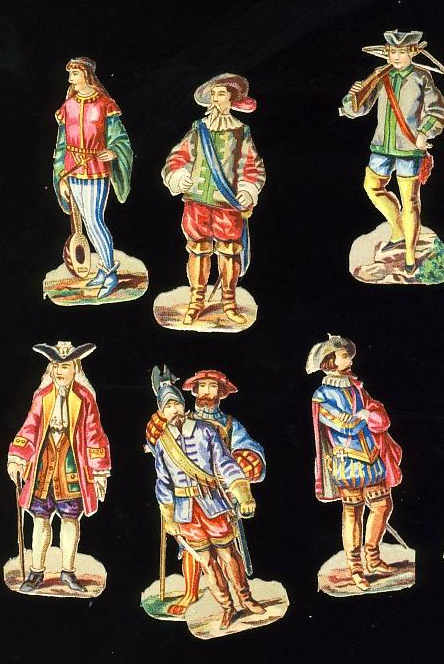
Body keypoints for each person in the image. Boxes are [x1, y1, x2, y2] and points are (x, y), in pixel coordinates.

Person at [147, 366, 264, 629]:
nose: (174, 410)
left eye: (176, 404)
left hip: (213, 503)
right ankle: (227, 607)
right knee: (207, 562)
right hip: (185, 511)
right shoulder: (163, 444)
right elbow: (163, 482)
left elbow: (226, 463)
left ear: (183, 405)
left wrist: (243, 492)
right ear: (162, 412)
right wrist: (168, 516)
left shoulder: (206, 431)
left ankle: (246, 599)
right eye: (168, 407)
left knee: (228, 554)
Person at [339, 30, 444, 274]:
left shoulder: (422, 77)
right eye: (392, 52)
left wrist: (424, 132)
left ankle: (410, 254)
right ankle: (398, 231)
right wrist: (352, 96)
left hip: (410, 149)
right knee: (372, 187)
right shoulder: (380, 75)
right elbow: (358, 109)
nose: (396, 57)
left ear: (412, 52)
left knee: (410, 201)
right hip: (382, 146)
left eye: (401, 52)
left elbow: (439, 110)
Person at [7, 341, 111, 593]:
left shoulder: (85, 398)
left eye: (64, 366)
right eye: (55, 365)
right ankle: (36, 572)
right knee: (40, 519)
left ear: (76, 368)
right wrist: (17, 457)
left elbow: (94, 435)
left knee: (70, 519)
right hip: (43, 466)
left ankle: (68, 572)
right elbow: (30, 427)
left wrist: (98, 471)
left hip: (71, 467)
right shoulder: (42, 396)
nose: (59, 371)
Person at [162, 74, 265, 325]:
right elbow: (177, 158)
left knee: (229, 252)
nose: (215, 99)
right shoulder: (199, 129)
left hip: (227, 204)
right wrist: (179, 176)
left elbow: (252, 167)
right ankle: (196, 302)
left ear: (231, 98)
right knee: (197, 250)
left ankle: (229, 303)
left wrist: (247, 189)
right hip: (196, 201)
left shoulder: (241, 132)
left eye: (221, 94)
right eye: (213, 94)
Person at [307, 335, 403, 589]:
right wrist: (364, 416)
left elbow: (379, 414)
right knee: (353, 512)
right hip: (347, 461)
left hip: (371, 457)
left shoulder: (356, 387)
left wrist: (368, 413)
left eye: (348, 355)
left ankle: (373, 556)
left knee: (383, 505)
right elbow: (344, 425)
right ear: (329, 361)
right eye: (343, 356)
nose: (349, 359)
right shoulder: (321, 395)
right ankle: (355, 568)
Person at [53, 57, 134, 298]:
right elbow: (61, 145)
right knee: (87, 223)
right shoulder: (67, 106)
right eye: (70, 74)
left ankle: (110, 272)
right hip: (72, 169)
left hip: (96, 168)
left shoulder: (104, 105)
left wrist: (114, 151)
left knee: (95, 221)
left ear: (87, 75)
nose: (70, 79)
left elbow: (121, 139)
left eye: (75, 74)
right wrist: (62, 177)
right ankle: (103, 270)